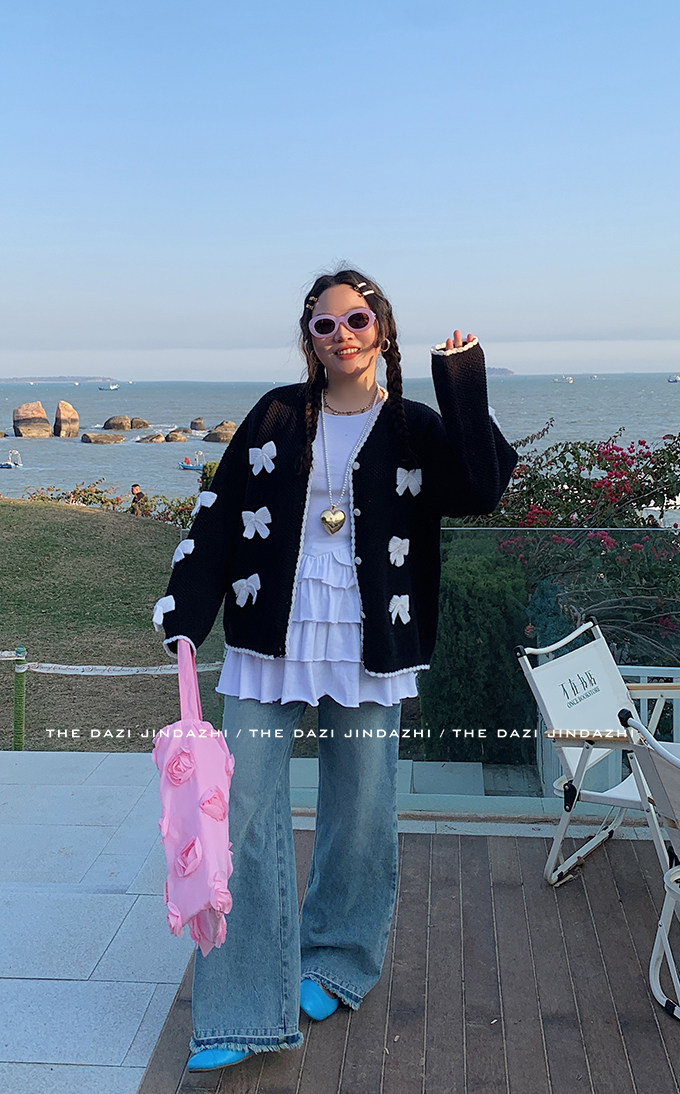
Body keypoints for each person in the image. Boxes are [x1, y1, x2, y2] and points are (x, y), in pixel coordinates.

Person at [153, 268, 517, 1072]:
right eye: (325, 324)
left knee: (360, 807)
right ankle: (241, 1008)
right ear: (309, 340)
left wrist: (461, 380)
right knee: (240, 811)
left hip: (369, 640)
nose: (341, 334)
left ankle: (337, 959)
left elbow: (482, 487)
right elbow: (219, 511)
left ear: (381, 330)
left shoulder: (415, 426)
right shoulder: (275, 414)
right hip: (267, 637)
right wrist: (186, 611)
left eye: (356, 319)